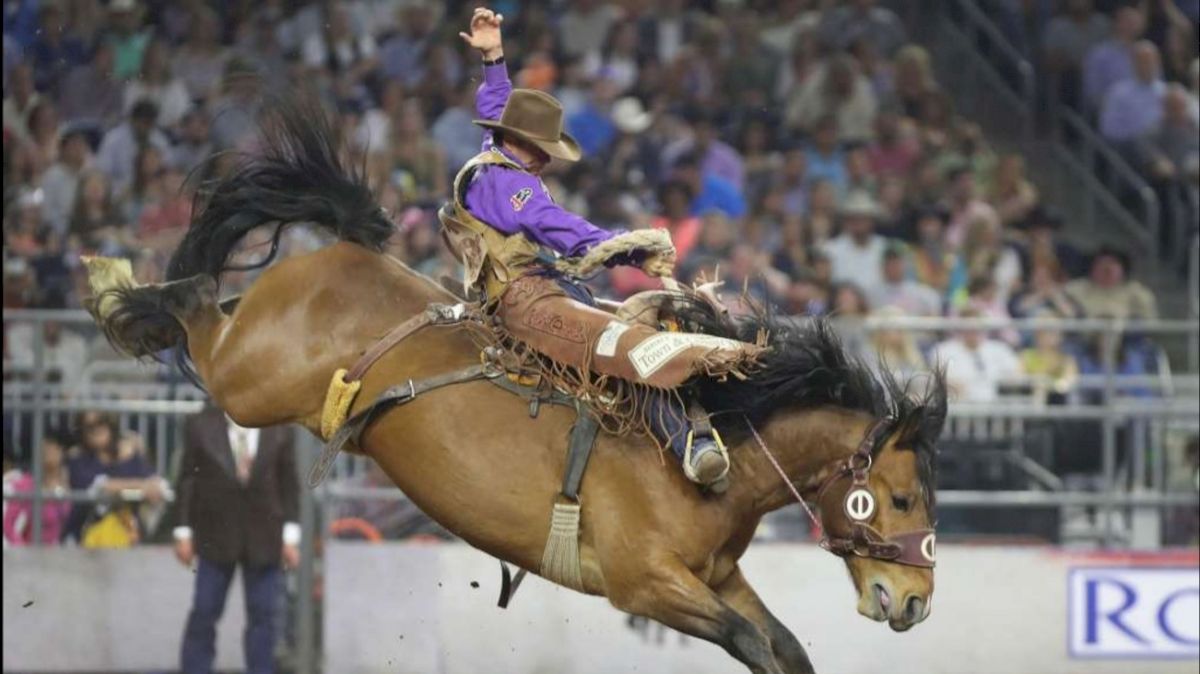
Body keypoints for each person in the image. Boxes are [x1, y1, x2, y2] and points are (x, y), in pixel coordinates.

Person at [449, 8, 760, 487]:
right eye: (543, 150)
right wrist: (631, 247)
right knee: (628, 347)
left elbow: (496, 108)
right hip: (526, 301)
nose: (546, 160)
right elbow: (557, 226)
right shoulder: (513, 185)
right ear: (526, 145)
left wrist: (494, 59)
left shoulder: (491, 161)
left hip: (539, 289)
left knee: (646, 320)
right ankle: (689, 444)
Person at [175, 407, 300, 674]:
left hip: (265, 535)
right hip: (215, 534)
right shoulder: (200, 425)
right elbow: (187, 480)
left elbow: (289, 482)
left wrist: (291, 536)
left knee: (264, 617)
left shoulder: (278, 427)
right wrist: (183, 531)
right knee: (204, 611)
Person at [932, 308, 1025, 403]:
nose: (973, 331)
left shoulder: (1000, 349)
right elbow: (942, 381)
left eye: (977, 327)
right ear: (960, 328)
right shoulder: (944, 350)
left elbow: (1016, 375)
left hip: (997, 407)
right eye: (968, 327)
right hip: (961, 407)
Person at [820, 190, 890, 292]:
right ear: (846, 221)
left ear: (872, 220)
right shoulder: (830, 249)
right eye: (854, 218)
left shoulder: (885, 247)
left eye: (863, 218)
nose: (858, 223)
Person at [1064, 246, 1158, 320]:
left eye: (1113, 263)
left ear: (1123, 269)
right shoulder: (1073, 289)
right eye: (1101, 263)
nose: (1107, 268)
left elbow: (1150, 322)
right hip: (1082, 340)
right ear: (1092, 268)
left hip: (1127, 340)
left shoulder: (1137, 292)